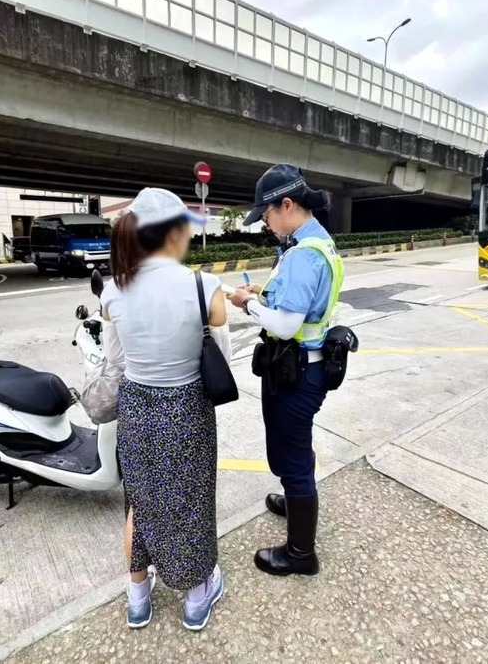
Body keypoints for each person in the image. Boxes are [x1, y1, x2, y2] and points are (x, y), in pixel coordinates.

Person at [101, 188, 231, 631]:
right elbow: (222, 360)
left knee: (140, 501)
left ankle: (138, 598)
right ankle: (197, 598)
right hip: (187, 408)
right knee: (191, 500)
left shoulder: (113, 291)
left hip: (136, 409)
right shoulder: (203, 287)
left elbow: (114, 363)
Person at [226, 164, 344, 577]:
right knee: (296, 449)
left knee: (291, 456)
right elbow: (301, 303)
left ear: (287, 205)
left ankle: (299, 553)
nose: (265, 224)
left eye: (266, 216)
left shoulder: (301, 255)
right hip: (306, 370)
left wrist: (247, 304)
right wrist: (264, 293)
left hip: (298, 372)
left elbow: (285, 325)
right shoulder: (318, 244)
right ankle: (294, 502)